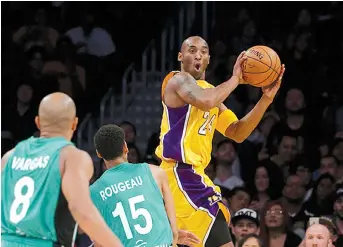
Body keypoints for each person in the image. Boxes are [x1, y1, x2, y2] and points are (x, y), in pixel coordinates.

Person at [155, 35, 285, 247]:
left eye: (204, 51)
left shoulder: (211, 92)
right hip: (179, 175)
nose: (198, 55)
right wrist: (236, 79)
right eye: (192, 50)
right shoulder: (177, 80)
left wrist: (265, 100)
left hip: (194, 176)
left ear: (208, 59)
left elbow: (237, 132)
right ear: (180, 56)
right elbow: (207, 101)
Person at [1, 92, 123, 247]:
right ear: (74, 123)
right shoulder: (71, 157)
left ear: (38, 122)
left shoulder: (9, 157)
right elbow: (81, 211)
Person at [90, 124, 200, 247]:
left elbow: (100, 240)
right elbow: (173, 231)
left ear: (99, 154)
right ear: (125, 147)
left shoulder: (93, 192)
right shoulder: (156, 173)